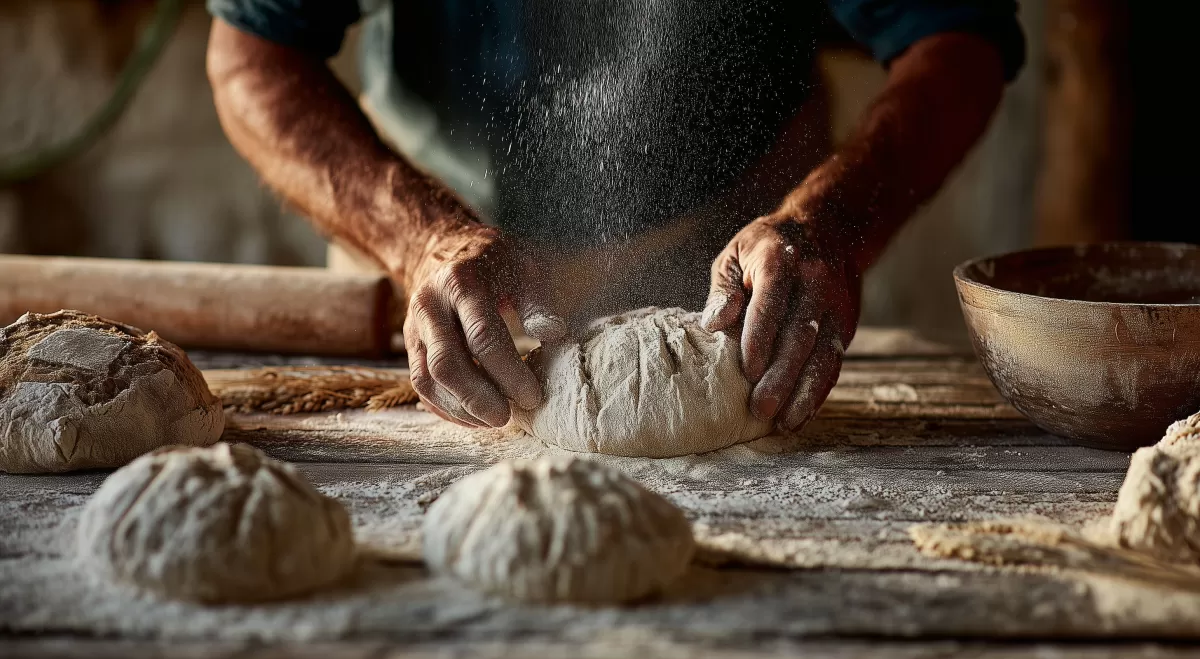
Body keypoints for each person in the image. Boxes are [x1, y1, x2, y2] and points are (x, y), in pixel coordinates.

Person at [205, 1, 1025, 431]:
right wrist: (421, 240)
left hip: (734, 266)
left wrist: (830, 224)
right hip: (424, 268)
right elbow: (249, 52)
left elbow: (953, 38)